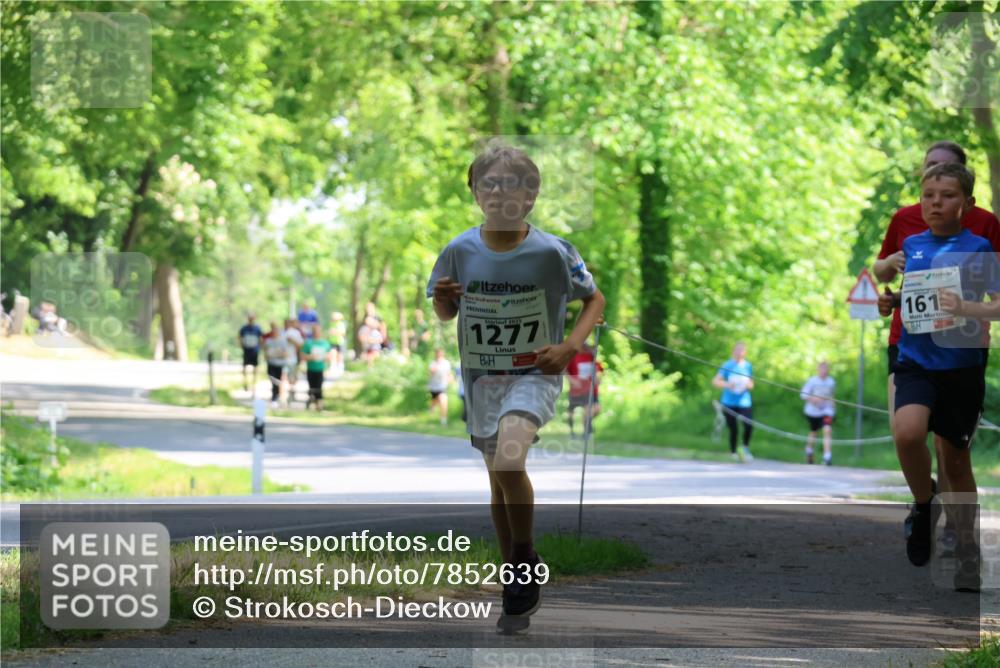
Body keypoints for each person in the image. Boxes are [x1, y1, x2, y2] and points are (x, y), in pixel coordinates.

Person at [428, 141, 605, 632]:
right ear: (475, 193)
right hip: (482, 379)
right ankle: (515, 589)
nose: (500, 192)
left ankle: (524, 559)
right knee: (498, 479)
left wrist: (569, 346)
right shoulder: (459, 250)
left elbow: (594, 299)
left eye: (512, 185)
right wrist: (444, 300)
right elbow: (446, 312)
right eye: (489, 183)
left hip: (534, 374)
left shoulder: (551, 251)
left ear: (531, 197)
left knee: (509, 458)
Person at [872, 141, 1000, 554]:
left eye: (947, 196)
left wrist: (967, 308)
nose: (935, 203)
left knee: (955, 459)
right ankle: (924, 506)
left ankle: (966, 546)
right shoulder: (912, 246)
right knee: (907, 434)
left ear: (968, 203)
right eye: (929, 196)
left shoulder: (979, 247)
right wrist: (890, 302)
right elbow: (910, 294)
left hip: (960, 365)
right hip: (915, 359)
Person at [712, 342, 755, 462]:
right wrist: (727, 384)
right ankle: (733, 452)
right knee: (734, 428)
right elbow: (715, 381)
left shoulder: (748, 366)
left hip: (744, 402)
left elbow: (751, 384)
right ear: (733, 351)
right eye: (737, 350)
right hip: (729, 402)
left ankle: (745, 448)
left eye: (742, 350)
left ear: (745, 352)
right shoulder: (727, 365)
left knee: (748, 425)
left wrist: (747, 385)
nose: (739, 352)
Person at [800, 361, 835, 465]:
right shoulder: (812, 381)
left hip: (826, 411)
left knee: (827, 430)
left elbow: (832, 395)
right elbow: (803, 394)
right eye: (822, 369)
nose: (824, 371)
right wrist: (812, 398)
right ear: (818, 370)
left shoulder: (831, 382)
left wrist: (832, 403)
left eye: (826, 369)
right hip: (813, 412)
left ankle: (827, 456)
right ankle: (809, 450)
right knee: (813, 432)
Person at [566, 342, 603, 439]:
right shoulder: (574, 358)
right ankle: (572, 431)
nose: (593, 351)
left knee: (593, 410)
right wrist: (572, 380)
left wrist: (598, 379)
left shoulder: (594, 360)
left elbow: (600, 372)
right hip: (577, 391)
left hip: (590, 391)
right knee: (571, 412)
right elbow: (565, 370)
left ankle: (586, 431)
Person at [301, 323, 332, 411]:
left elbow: (330, 355)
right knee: (311, 386)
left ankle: (319, 404)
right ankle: (312, 400)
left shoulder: (325, 343)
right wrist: (311, 357)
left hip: (320, 368)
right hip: (311, 368)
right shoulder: (308, 343)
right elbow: (303, 356)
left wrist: (326, 361)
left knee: (319, 386)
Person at [262, 321, 289, 408]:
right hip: (271, 363)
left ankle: (276, 398)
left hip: (280, 364)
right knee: (273, 380)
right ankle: (275, 397)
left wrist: (277, 353)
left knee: (278, 382)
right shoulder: (268, 341)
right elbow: (265, 353)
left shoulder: (282, 341)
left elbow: (286, 354)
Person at [428, 348, 454, 426]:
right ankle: (430, 413)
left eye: (441, 353)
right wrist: (436, 365)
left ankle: (443, 420)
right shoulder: (433, 363)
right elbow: (431, 372)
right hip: (434, 387)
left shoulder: (446, 363)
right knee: (434, 403)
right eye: (438, 353)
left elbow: (449, 373)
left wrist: (451, 379)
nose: (439, 355)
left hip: (442, 386)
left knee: (443, 401)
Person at [237, 313, 263, 392]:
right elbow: (240, 338)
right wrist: (242, 346)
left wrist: (260, 347)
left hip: (254, 350)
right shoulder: (244, 328)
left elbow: (261, 338)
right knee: (245, 367)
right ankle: (245, 383)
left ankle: (253, 384)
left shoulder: (257, 328)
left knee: (255, 368)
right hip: (246, 350)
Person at [283, 318, 304, 400]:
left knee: (293, 377)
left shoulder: (296, 332)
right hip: (286, 359)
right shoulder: (286, 332)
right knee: (286, 377)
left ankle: (291, 392)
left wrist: (295, 342)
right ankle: (286, 394)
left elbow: (301, 344)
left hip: (294, 358)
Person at [328, 311, 347, 376]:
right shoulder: (331, 324)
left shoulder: (341, 324)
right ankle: (333, 367)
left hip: (340, 341)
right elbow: (330, 332)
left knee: (340, 355)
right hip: (332, 341)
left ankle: (340, 367)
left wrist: (335, 332)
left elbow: (343, 333)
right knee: (332, 353)